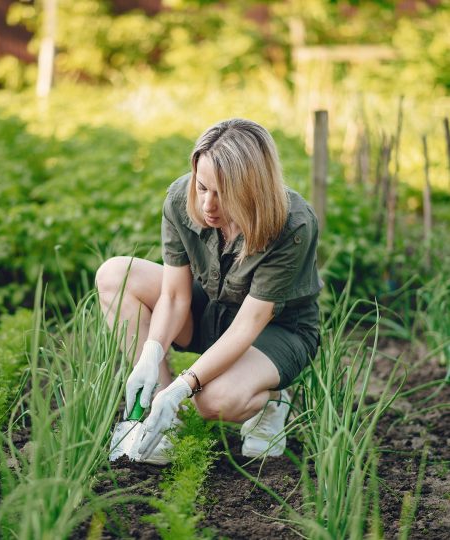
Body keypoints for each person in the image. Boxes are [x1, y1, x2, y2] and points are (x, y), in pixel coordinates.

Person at [96, 118, 322, 464]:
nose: (208, 206)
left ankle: (273, 400)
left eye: (223, 194)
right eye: (203, 187)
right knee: (115, 275)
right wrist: (151, 356)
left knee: (213, 400)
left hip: (274, 331)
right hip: (212, 311)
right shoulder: (179, 199)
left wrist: (185, 387)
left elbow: (249, 324)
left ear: (252, 189)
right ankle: (164, 418)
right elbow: (174, 296)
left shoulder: (293, 224)